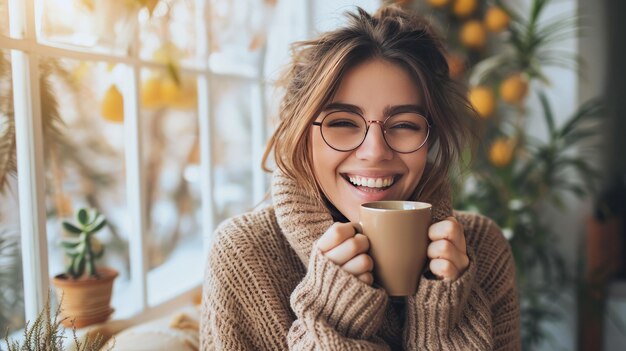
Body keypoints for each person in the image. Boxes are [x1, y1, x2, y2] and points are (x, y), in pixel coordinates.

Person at [201, 5, 520, 350]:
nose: (375, 151)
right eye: (341, 122)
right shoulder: (244, 256)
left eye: (403, 125)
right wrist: (333, 315)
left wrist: (446, 319)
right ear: (301, 135)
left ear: (430, 140)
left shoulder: (481, 251)